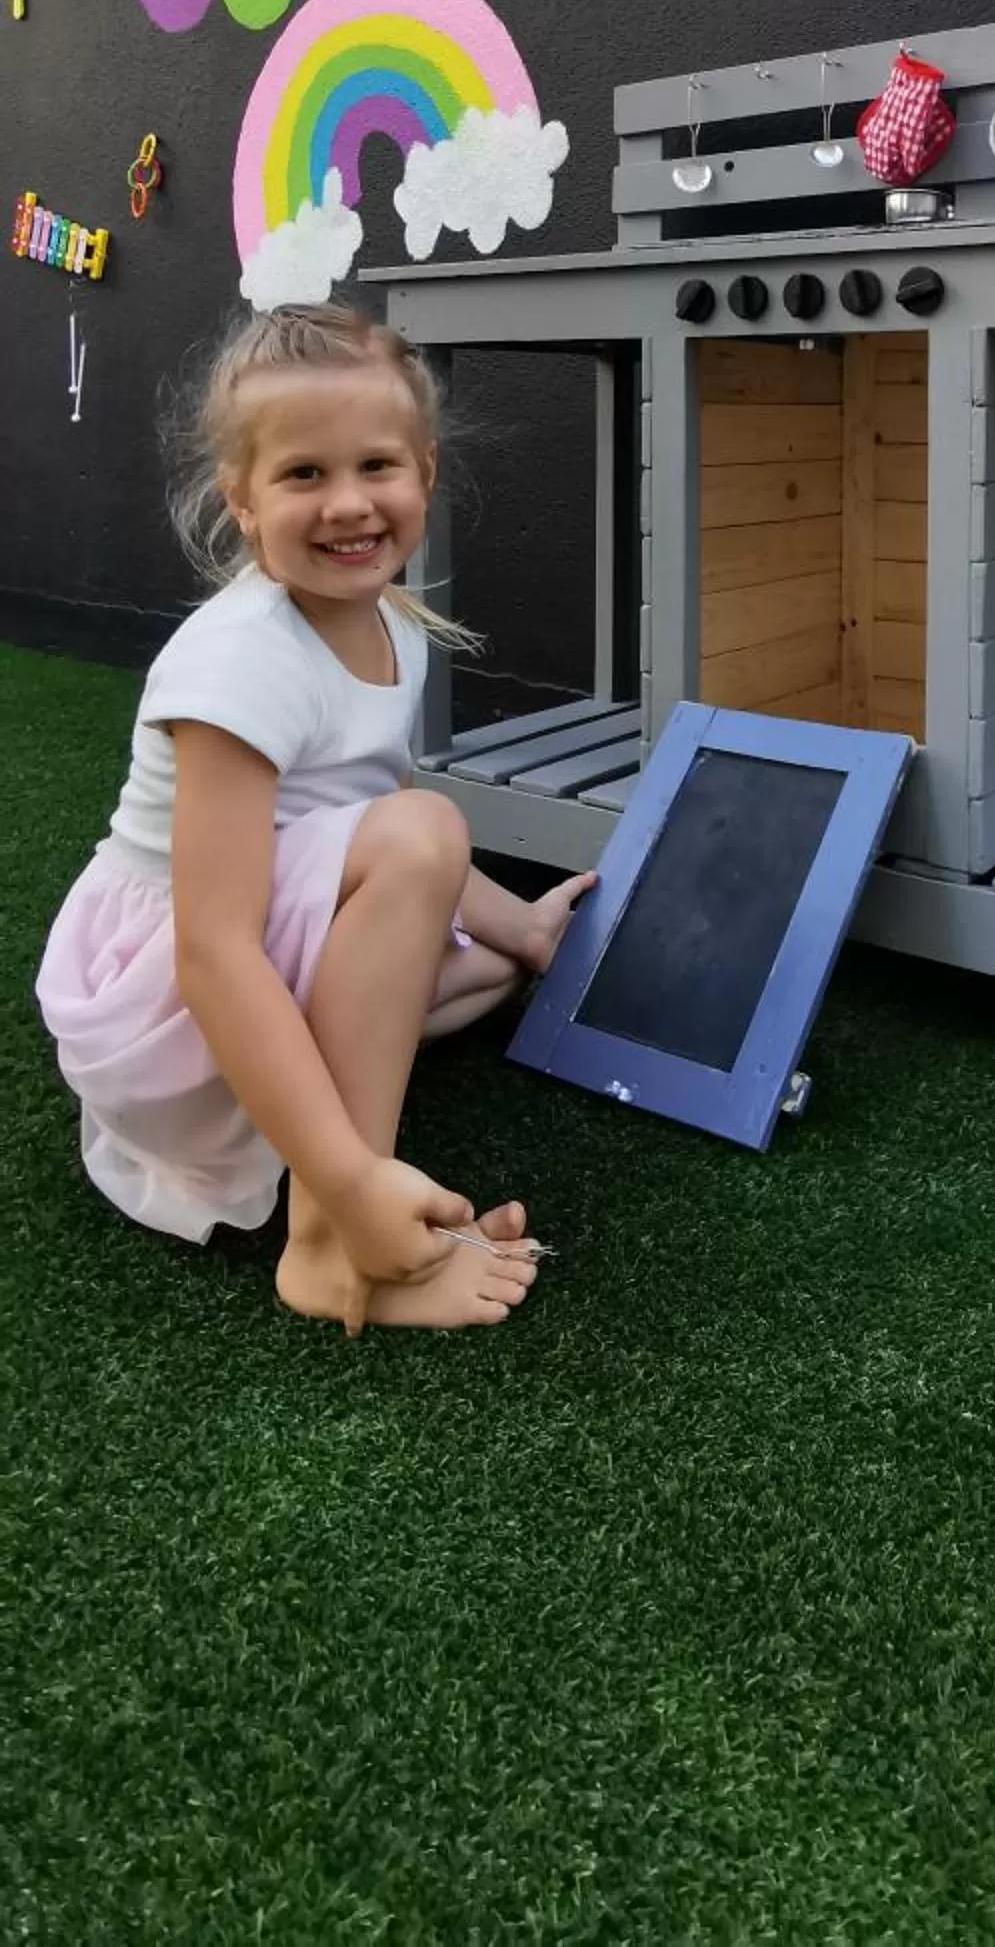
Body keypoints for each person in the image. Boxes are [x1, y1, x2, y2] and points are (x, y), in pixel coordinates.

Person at [37, 301, 596, 1335]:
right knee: (424, 831)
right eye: (303, 475)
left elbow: (351, 813)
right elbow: (214, 952)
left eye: (376, 466)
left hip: (240, 948)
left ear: (424, 471)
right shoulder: (240, 661)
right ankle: (326, 1245)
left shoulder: (390, 623)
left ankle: (315, 1123)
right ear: (241, 502)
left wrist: (520, 929)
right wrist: (348, 1179)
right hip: (166, 992)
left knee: (485, 965)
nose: (348, 504)